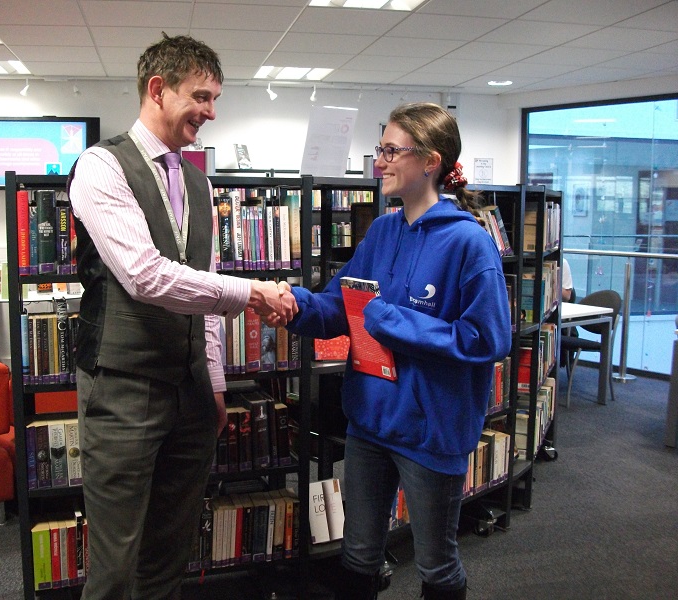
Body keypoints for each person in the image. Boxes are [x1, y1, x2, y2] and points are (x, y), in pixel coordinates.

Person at [67, 33, 296, 600]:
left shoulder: (199, 180)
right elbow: (147, 277)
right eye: (200, 96)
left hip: (191, 394)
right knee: (116, 566)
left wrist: (215, 384)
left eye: (215, 98)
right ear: (157, 89)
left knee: (169, 557)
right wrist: (252, 292)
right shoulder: (101, 167)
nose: (210, 112)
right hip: (123, 390)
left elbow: (202, 298)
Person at [284, 102, 511, 600]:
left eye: (391, 150)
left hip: (431, 431)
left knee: (436, 564)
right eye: (379, 149)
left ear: (430, 161)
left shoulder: (470, 244)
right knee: (358, 555)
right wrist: (290, 305)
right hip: (370, 422)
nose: (379, 161)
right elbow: (339, 305)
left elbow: (488, 338)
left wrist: (391, 321)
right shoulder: (383, 231)